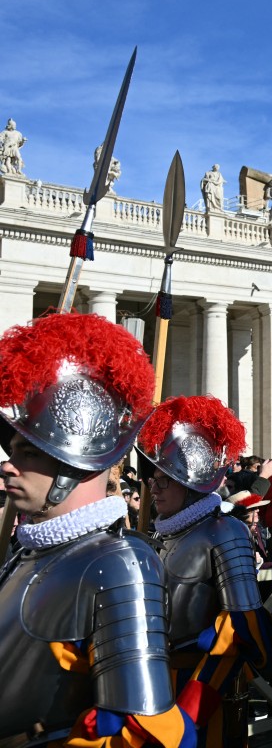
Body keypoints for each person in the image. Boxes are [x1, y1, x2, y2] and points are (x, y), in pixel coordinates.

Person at [0, 312, 191, 745]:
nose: (8, 465)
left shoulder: (118, 563)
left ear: (73, 464)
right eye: (12, 451)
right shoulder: (27, 552)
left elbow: (139, 728)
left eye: (28, 452)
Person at [139, 395, 272, 747]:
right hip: (150, 684)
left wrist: (189, 711)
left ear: (189, 483)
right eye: (153, 479)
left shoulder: (225, 532)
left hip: (201, 689)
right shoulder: (161, 532)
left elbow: (242, 629)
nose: (153, 488)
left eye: (164, 480)